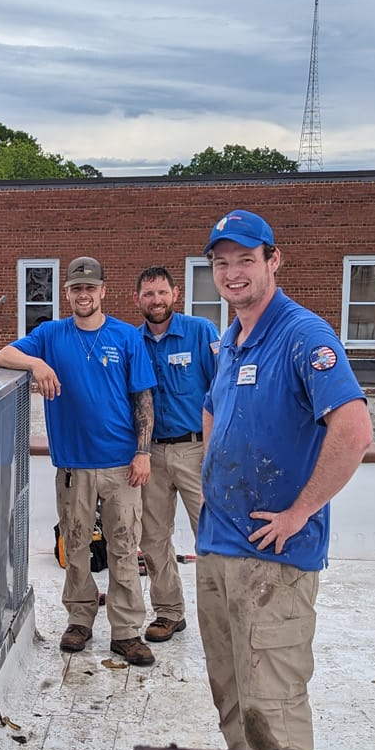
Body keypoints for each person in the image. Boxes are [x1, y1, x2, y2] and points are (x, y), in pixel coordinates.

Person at [196, 211, 373, 750]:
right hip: (219, 547)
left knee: (271, 706)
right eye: (221, 263)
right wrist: (211, 484)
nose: (232, 273)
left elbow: (354, 429)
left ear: (274, 261)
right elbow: (213, 410)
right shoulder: (231, 339)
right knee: (232, 696)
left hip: (274, 557)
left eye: (246, 260)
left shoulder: (303, 335)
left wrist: (300, 513)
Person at [0, 257, 158, 667]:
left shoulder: (125, 337)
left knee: (124, 546)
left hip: (121, 462)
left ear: (103, 291)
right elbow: (3, 355)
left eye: (90, 288)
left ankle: (126, 631)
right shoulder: (50, 334)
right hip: (72, 465)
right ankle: (80, 619)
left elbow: (143, 398)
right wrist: (36, 362)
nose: (83, 295)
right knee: (77, 544)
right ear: (66, 293)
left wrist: (143, 451)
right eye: (75, 289)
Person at [133, 266, 219, 645]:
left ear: (176, 293)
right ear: (137, 299)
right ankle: (169, 612)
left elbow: (223, 390)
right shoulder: (132, 341)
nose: (156, 301)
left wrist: (219, 448)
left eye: (162, 293)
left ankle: (221, 616)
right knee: (153, 538)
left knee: (213, 535)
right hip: (150, 454)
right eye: (148, 294)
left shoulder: (201, 332)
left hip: (196, 450)